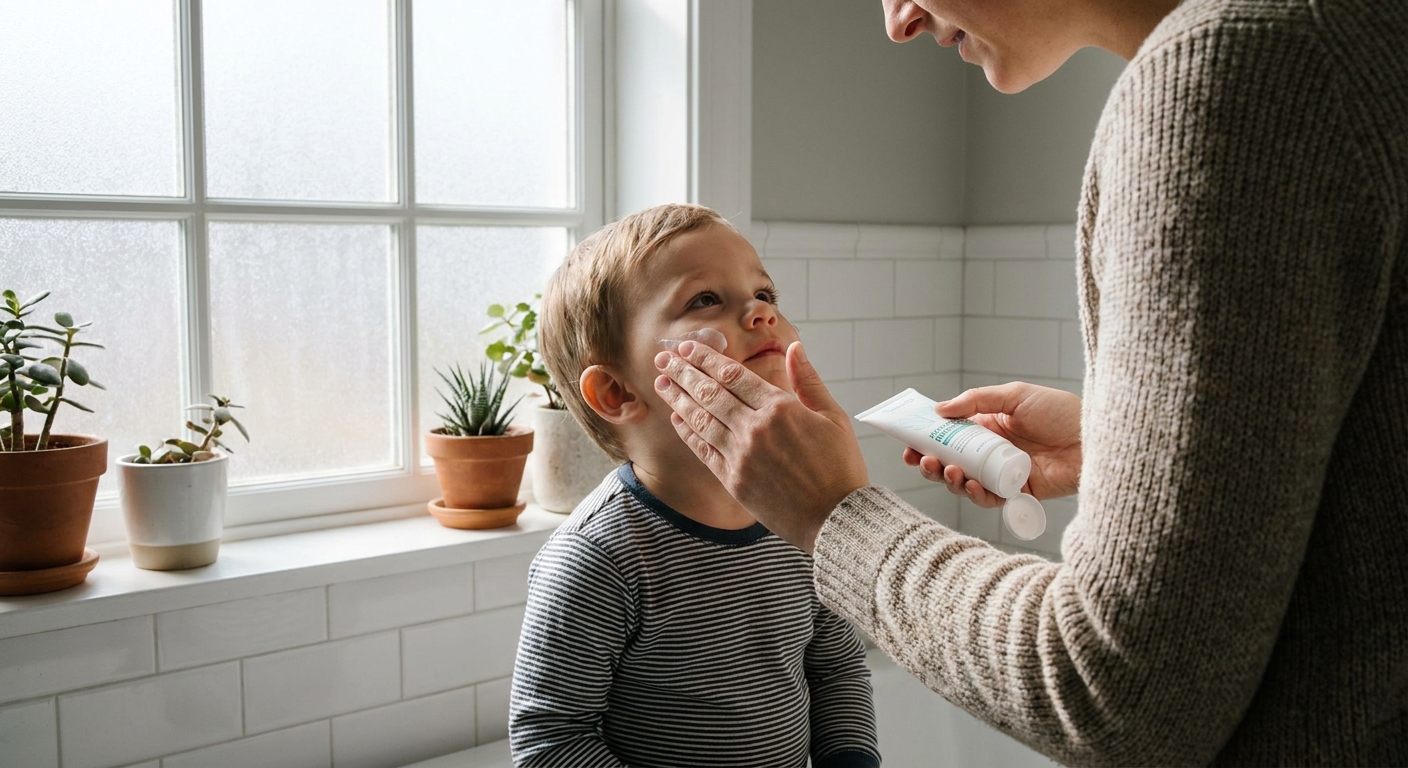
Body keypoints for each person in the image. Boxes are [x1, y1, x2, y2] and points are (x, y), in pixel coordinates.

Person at [651, 0, 1408, 764]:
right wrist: (1132, 452)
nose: (896, 21)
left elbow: (1115, 698)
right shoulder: (1348, 36)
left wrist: (835, 518)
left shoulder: (1236, 74)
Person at [507, 204, 881, 768]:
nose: (759, 312)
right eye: (705, 300)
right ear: (616, 393)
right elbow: (550, 737)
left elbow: (836, 666)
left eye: (766, 294)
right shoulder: (598, 559)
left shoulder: (803, 516)